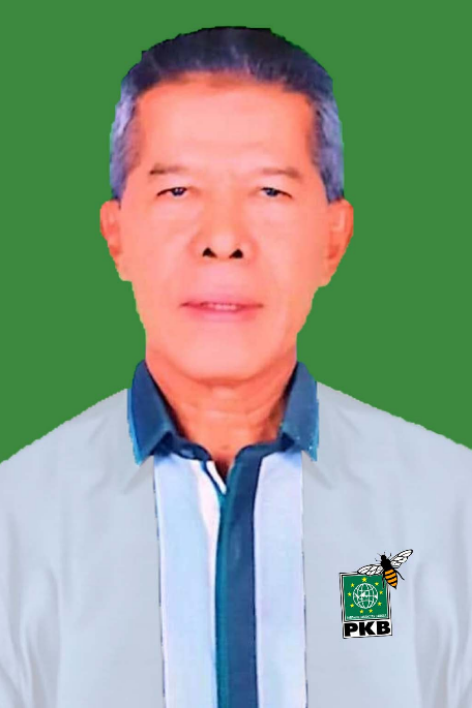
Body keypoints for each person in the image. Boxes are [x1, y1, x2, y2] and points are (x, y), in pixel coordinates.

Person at [0, 25, 470, 708]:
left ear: (333, 239)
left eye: (270, 192)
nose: (223, 239)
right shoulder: (16, 522)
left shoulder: (448, 507)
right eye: (178, 191)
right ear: (117, 235)